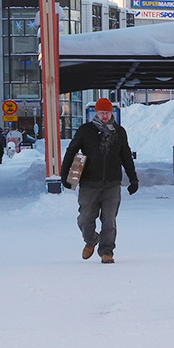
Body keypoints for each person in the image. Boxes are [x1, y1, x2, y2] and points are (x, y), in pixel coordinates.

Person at [60, 97, 139, 264]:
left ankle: (107, 251)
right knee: (85, 218)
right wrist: (64, 174)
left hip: (112, 184)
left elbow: (126, 156)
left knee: (109, 220)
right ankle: (91, 240)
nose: (105, 116)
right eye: (102, 113)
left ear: (112, 113)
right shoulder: (85, 130)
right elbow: (71, 151)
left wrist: (133, 179)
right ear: (96, 113)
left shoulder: (119, 132)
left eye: (107, 112)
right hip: (89, 183)